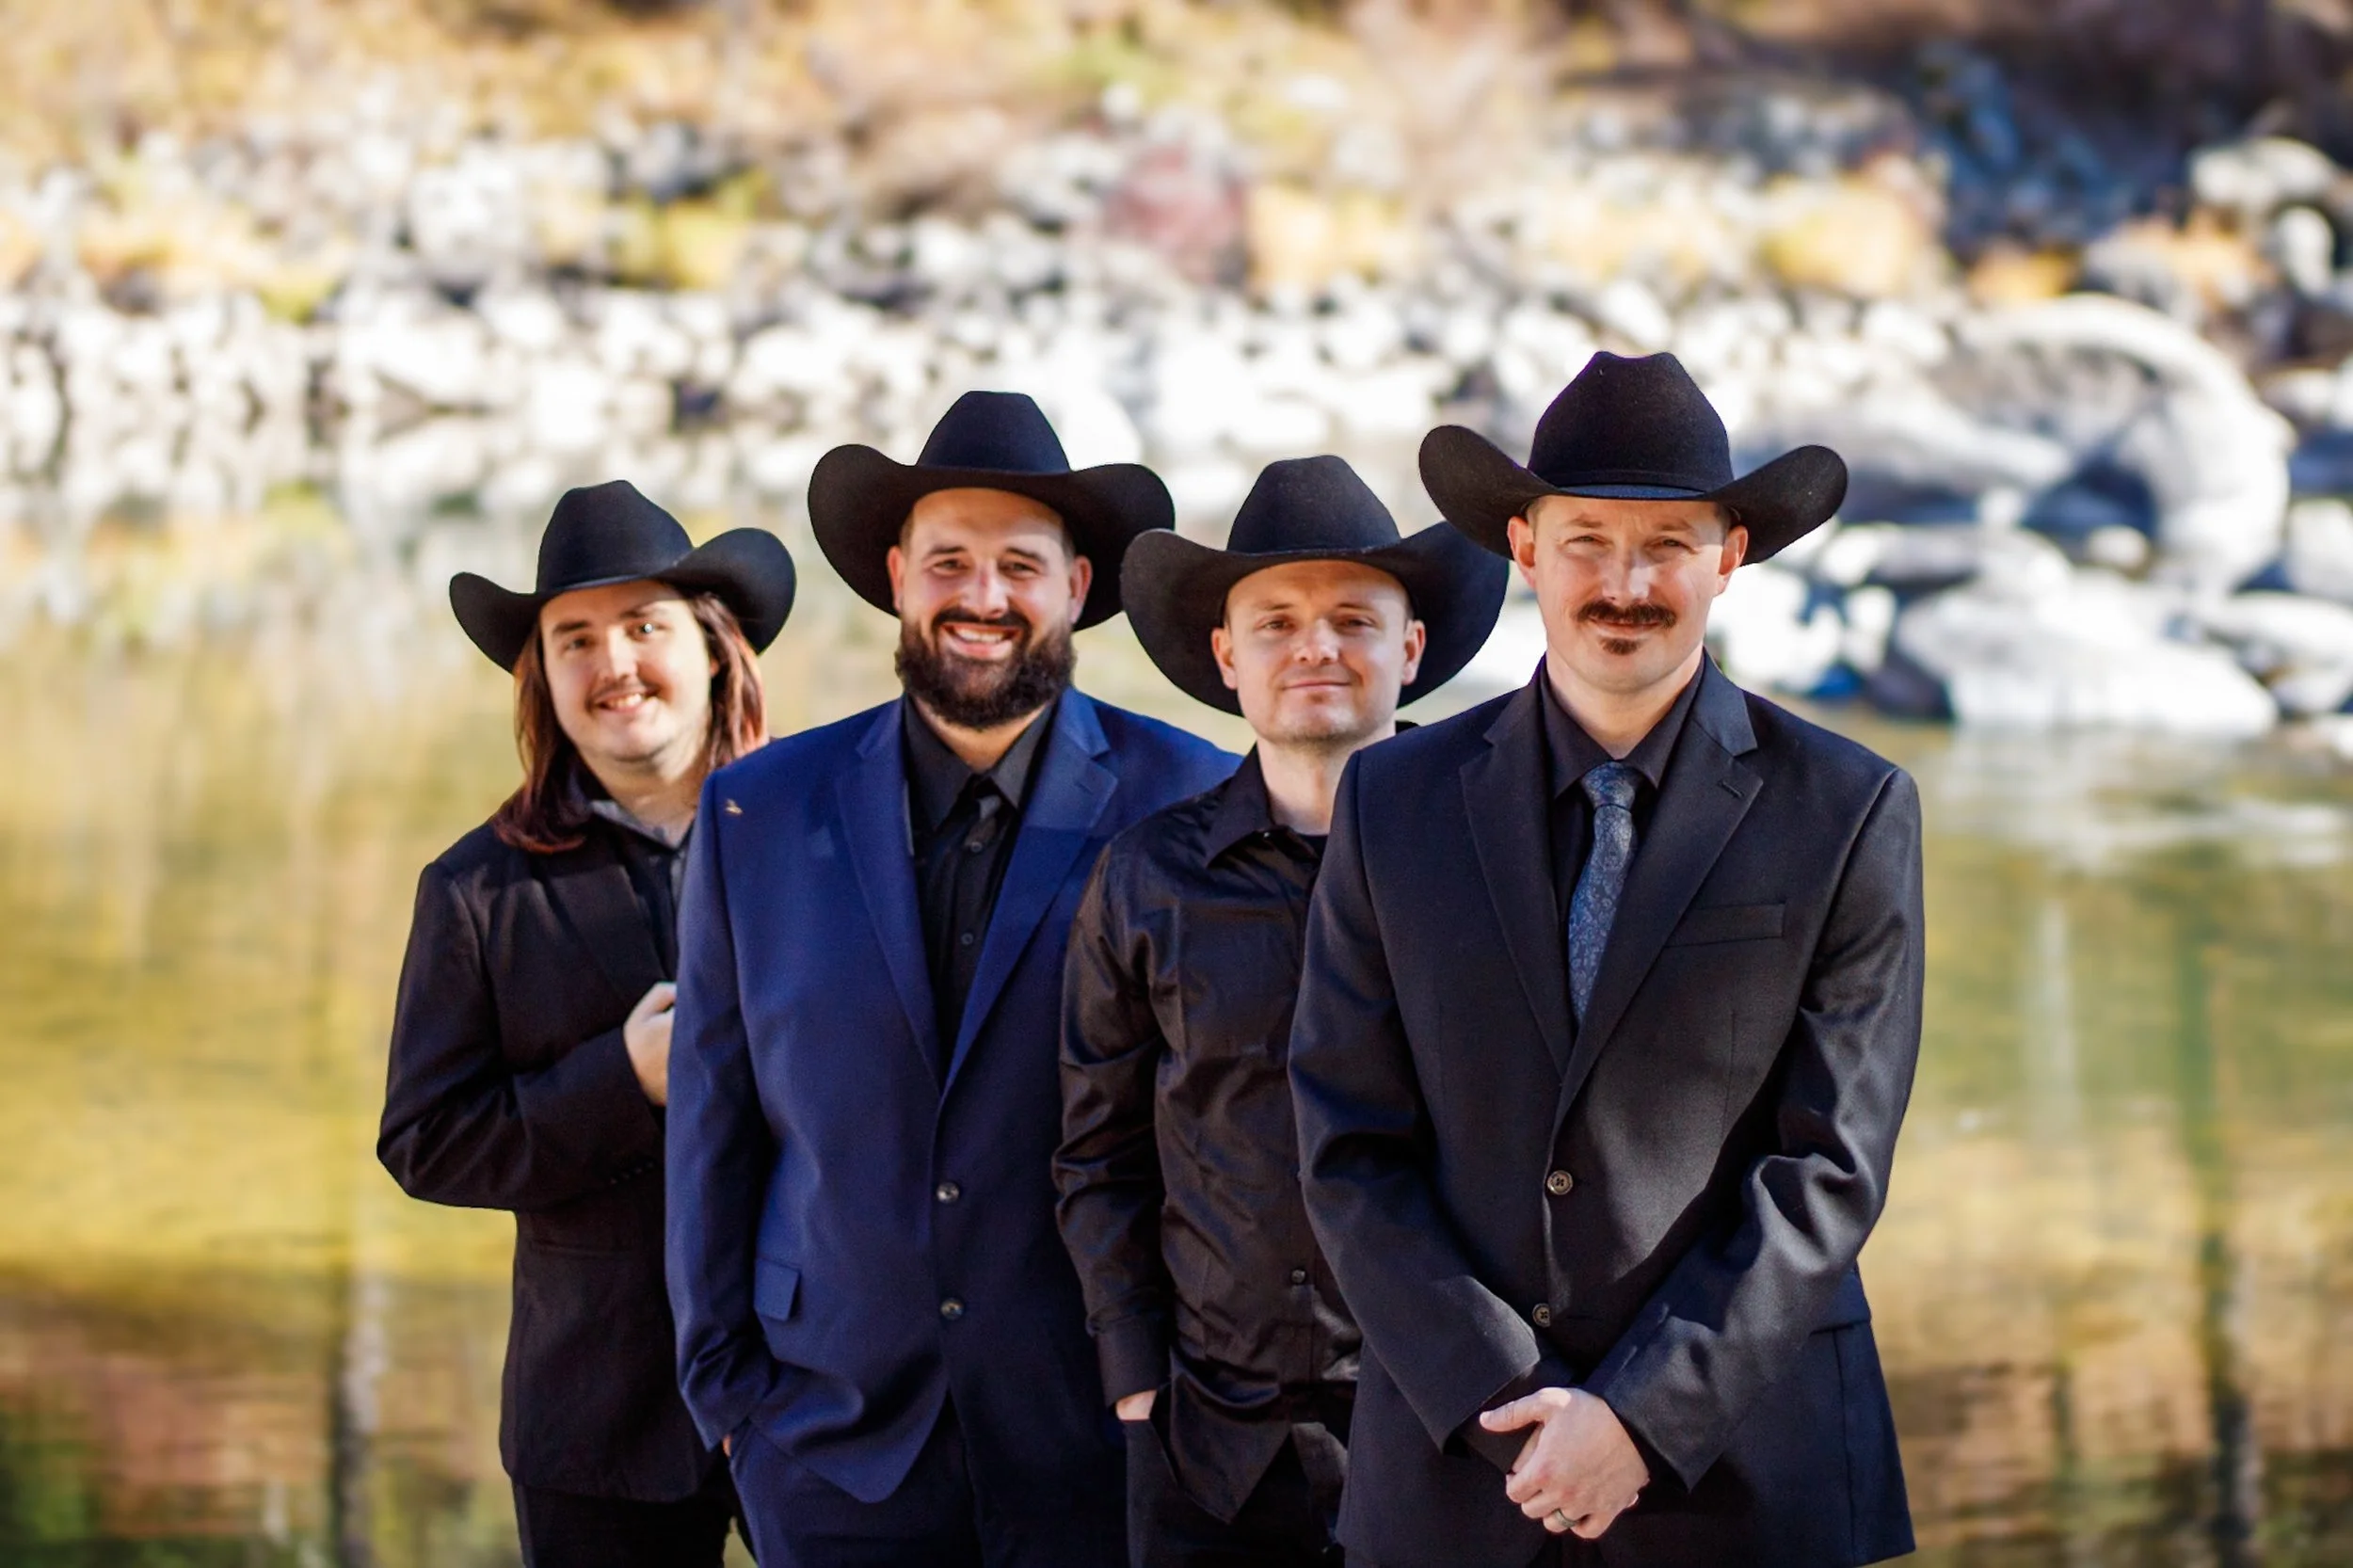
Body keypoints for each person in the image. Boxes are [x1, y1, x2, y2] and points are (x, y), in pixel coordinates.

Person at [1288, 352, 1922, 1567]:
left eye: (1668, 545)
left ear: (1729, 557)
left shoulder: (1849, 805)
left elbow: (1830, 1163)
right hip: (1460, 1467)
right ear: (1523, 547)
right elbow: (1345, 1135)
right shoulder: (1394, 798)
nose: (1624, 583)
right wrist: (1510, 1407)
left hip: (1747, 1473)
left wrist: (1640, 1413)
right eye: (1587, 539)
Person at [665, 391, 1236, 1567]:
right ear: (896, 576)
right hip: (823, 1442)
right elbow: (714, 1124)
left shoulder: (1190, 800)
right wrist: (728, 1402)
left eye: (1020, 565)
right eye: (950, 562)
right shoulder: (754, 810)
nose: (983, 598)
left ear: (1078, 588)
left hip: (1099, 1436)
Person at [1055, 455, 1507, 1567]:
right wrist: (1130, 1377)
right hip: (1207, 1440)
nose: (1315, 646)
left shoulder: (1499, 857)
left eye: (1354, 618)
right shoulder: (1144, 877)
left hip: (1450, 1428)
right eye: (1276, 622)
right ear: (1226, 656)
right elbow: (1097, 1148)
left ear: (1410, 648)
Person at [378, 480, 795, 1568]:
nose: (613, 664)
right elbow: (427, 1141)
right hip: (597, 1419)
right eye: (575, 639)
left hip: (829, 1390)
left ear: (713, 650)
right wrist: (621, 1079)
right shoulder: (476, 890)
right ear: (544, 679)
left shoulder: (827, 844)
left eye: (643, 626)